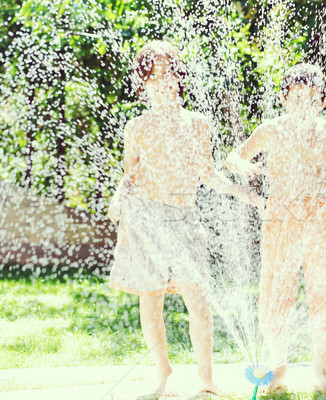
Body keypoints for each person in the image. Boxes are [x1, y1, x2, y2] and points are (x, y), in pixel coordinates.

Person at [107, 40, 263, 397]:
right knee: (151, 298)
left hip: (183, 217)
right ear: (142, 85)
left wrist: (245, 194)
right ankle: (163, 370)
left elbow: (207, 173)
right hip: (145, 218)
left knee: (198, 299)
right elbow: (130, 174)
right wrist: (119, 198)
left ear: (180, 79)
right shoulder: (137, 127)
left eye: (169, 75)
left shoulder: (197, 123)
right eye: (153, 77)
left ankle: (206, 379)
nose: (162, 82)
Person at [225, 63, 326, 394]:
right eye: (296, 98)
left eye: (311, 98)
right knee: (277, 293)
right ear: (284, 99)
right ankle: (278, 370)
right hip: (280, 219)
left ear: (322, 101)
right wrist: (241, 164)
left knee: (324, 290)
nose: (302, 105)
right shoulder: (271, 130)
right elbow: (234, 156)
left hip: (320, 219)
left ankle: (320, 369)